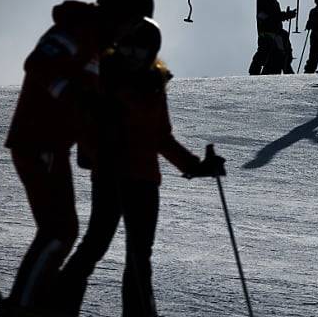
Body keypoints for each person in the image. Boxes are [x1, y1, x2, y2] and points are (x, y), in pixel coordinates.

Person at [0, 0, 153, 316]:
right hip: (38, 139)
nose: (130, 32)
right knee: (59, 229)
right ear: (119, 12)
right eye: (132, 22)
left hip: (54, 144)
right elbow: (38, 64)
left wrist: (96, 151)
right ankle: (22, 307)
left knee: (62, 230)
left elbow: (86, 112)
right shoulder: (77, 29)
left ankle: (32, 303)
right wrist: (79, 97)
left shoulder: (95, 43)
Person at [55, 18, 226, 317]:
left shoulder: (154, 85)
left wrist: (196, 166)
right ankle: (56, 305)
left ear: (152, 52)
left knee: (139, 255)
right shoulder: (104, 78)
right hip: (111, 175)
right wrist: (99, 154)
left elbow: (161, 137)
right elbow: (84, 127)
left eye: (142, 49)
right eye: (130, 47)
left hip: (145, 180)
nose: (135, 54)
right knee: (97, 242)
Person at [248, 0, 297, 75]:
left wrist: (284, 15)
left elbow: (271, 14)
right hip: (270, 30)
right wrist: (285, 15)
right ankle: (265, 74)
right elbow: (270, 15)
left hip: (270, 30)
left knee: (273, 52)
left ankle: (274, 72)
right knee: (273, 53)